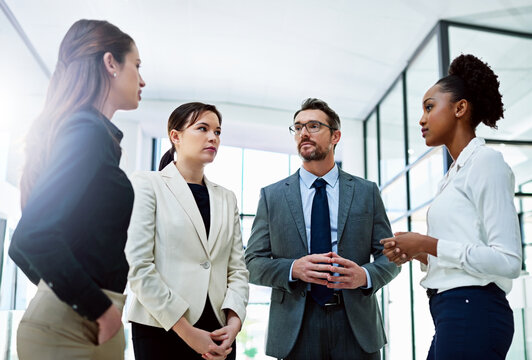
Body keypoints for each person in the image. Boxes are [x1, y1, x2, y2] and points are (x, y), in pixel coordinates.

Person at [8, 19, 145, 360]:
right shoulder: (85, 132)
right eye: (137, 66)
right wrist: (97, 307)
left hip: (79, 321)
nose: (142, 80)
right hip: (75, 327)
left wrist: (67, 293)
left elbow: (23, 249)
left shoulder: (89, 133)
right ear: (110, 63)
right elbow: (31, 238)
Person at [380, 54, 522, 359]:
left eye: (429, 107)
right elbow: (464, 253)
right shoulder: (452, 176)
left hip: (474, 310)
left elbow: (508, 261)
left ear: (460, 108)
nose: (421, 119)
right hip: (453, 312)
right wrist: (419, 252)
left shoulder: (486, 163)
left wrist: (427, 243)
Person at [245, 98, 400, 360]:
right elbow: (251, 262)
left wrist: (364, 275)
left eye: (314, 126)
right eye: (298, 127)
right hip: (296, 326)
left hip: (356, 327)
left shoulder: (366, 192)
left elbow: (391, 256)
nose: (303, 133)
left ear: (335, 136)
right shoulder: (272, 196)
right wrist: (293, 269)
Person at [125, 102, 249, 360]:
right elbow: (139, 266)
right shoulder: (148, 184)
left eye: (217, 131)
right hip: (161, 327)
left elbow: (237, 269)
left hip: (220, 332)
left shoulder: (227, 198)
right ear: (175, 136)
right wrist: (187, 331)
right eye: (203, 128)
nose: (213, 137)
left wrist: (234, 324)